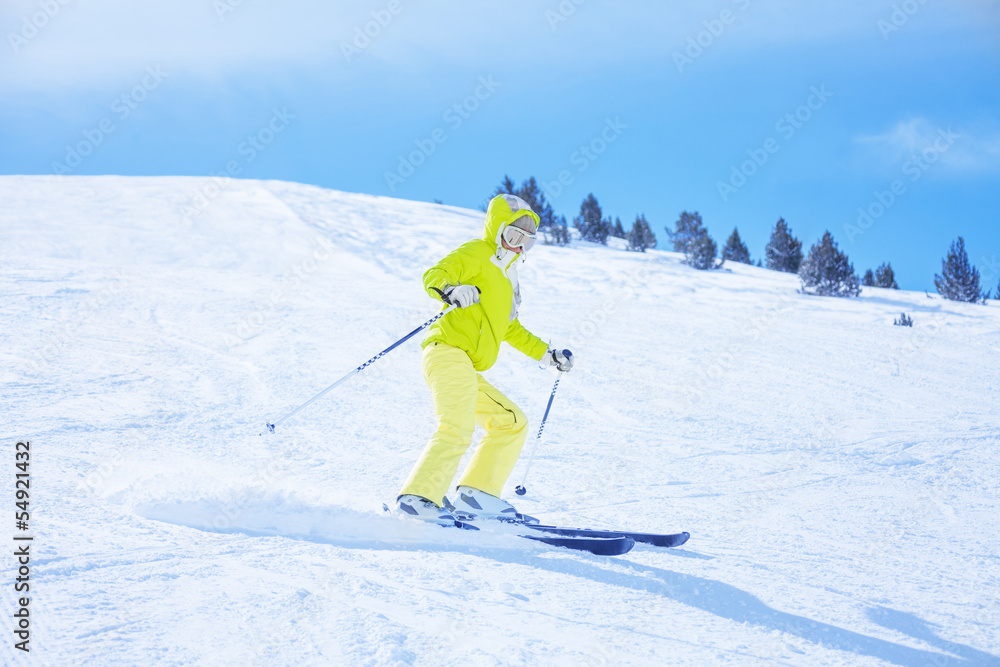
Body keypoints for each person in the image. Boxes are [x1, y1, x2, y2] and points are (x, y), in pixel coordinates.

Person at [397, 194, 574, 523]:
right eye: (513, 236)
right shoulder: (477, 253)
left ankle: (477, 496)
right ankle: (418, 500)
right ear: (497, 229)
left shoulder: (508, 281)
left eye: (528, 241)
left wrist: (547, 355)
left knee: (511, 423)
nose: (519, 246)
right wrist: (451, 289)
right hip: (446, 351)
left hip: (466, 366)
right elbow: (435, 274)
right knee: (456, 427)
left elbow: (510, 329)